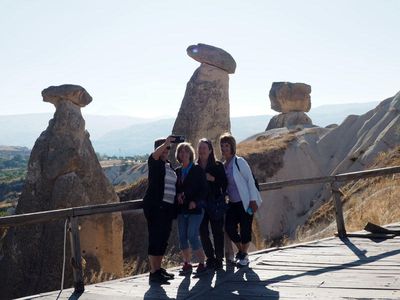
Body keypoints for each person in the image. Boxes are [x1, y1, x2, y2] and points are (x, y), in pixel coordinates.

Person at [219, 132, 262, 267]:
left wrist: (253, 200)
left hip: (246, 201)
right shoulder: (223, 165)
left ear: (232, 147)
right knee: (229, 228)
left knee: (245, 228)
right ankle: (242, 251)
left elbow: (250, 181)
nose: (224, 148)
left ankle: (243, 256)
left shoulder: (239, 162)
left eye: (227, 145)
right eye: (222, 146)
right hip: (232, 203)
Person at [143, 136, 177, 284]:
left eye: (168, 149)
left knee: (163, 240)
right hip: (156, 207)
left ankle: (158, 269)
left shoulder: (168, 165)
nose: (166, 150)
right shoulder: (154, 162)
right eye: (163, 148)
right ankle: (154, 271)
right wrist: (166, 143)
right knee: (155, 239)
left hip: (167, 208)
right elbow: (155, 155)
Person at [175, 142, 208, 275]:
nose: (183, 154)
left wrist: (195, 201)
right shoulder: (176, 171)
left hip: (195, 209)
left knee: (192, 235)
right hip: (182, 209)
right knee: (182, 237)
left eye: (186, 151)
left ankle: (201, 263)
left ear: (190, 154)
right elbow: (176, 189)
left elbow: (204, 189)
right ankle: (187, 263)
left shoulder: (197, 169)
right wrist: (178, 196)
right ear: (178, 155)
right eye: (181, 152)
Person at [197, 138, 227, 270]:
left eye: (204, 148)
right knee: (203, 232)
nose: (202, 150)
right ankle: (210, 258)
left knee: (217, 232)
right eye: (200, 148)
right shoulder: (195, 167)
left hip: (215, 203)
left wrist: (212, 179)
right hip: (201, 204)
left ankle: (219, 259)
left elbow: (225, 183)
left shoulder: (218, 166)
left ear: (210, 150)